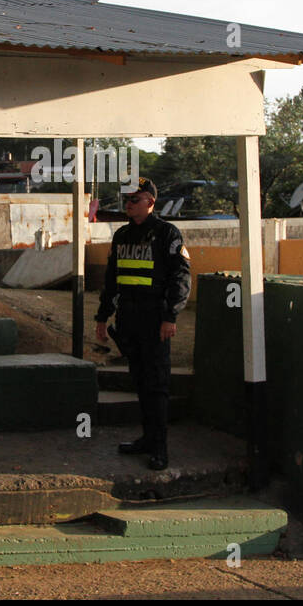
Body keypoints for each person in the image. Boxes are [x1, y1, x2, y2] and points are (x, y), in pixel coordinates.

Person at [94, 177, 191, 470]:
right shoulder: (121, 235)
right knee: (139, 382)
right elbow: (112, 280)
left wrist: (170, 317)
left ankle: (159, 448)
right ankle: (147, 439)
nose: (128, 204)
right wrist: (102, 317)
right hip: (128, 320)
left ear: (150, 201)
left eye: (134, 199)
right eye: (127, 199)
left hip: (154, 320)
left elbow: (180, 278)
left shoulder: (167, 234)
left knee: (157, 385)